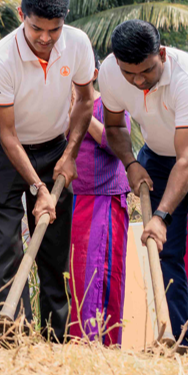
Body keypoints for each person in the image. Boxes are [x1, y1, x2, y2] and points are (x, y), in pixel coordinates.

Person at [99, 20, 188, 354]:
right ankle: (181, 343)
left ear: (160, 53)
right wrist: (131, 164)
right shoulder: (109, 70)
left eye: (146, 71)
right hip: (158, 158)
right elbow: (115, 125)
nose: (137, 81)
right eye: (128, 73)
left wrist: (161, 215)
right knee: (164, 251)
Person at [0, 0, 95, 340]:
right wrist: (38, 187)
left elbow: (85, 101)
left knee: (54, 251)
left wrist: (69, 154)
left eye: (54, 30)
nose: (46, 38)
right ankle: (10, 335)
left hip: (53, 147)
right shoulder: (0, 59)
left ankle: (54, 340)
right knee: (6, 246)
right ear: (21, 17)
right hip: (4, 150)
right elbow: (8, 135)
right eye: (36, 29)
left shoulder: (77, 43)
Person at [66, 60, 129, 345]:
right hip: (70, 200)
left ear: (92, 74)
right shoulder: (56, 107)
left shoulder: (110, 104)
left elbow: (115, 143)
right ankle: (74, 341)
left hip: (103, 198)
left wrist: (81, 111)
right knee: (75, 277)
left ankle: (97, 343)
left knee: (98, 273)